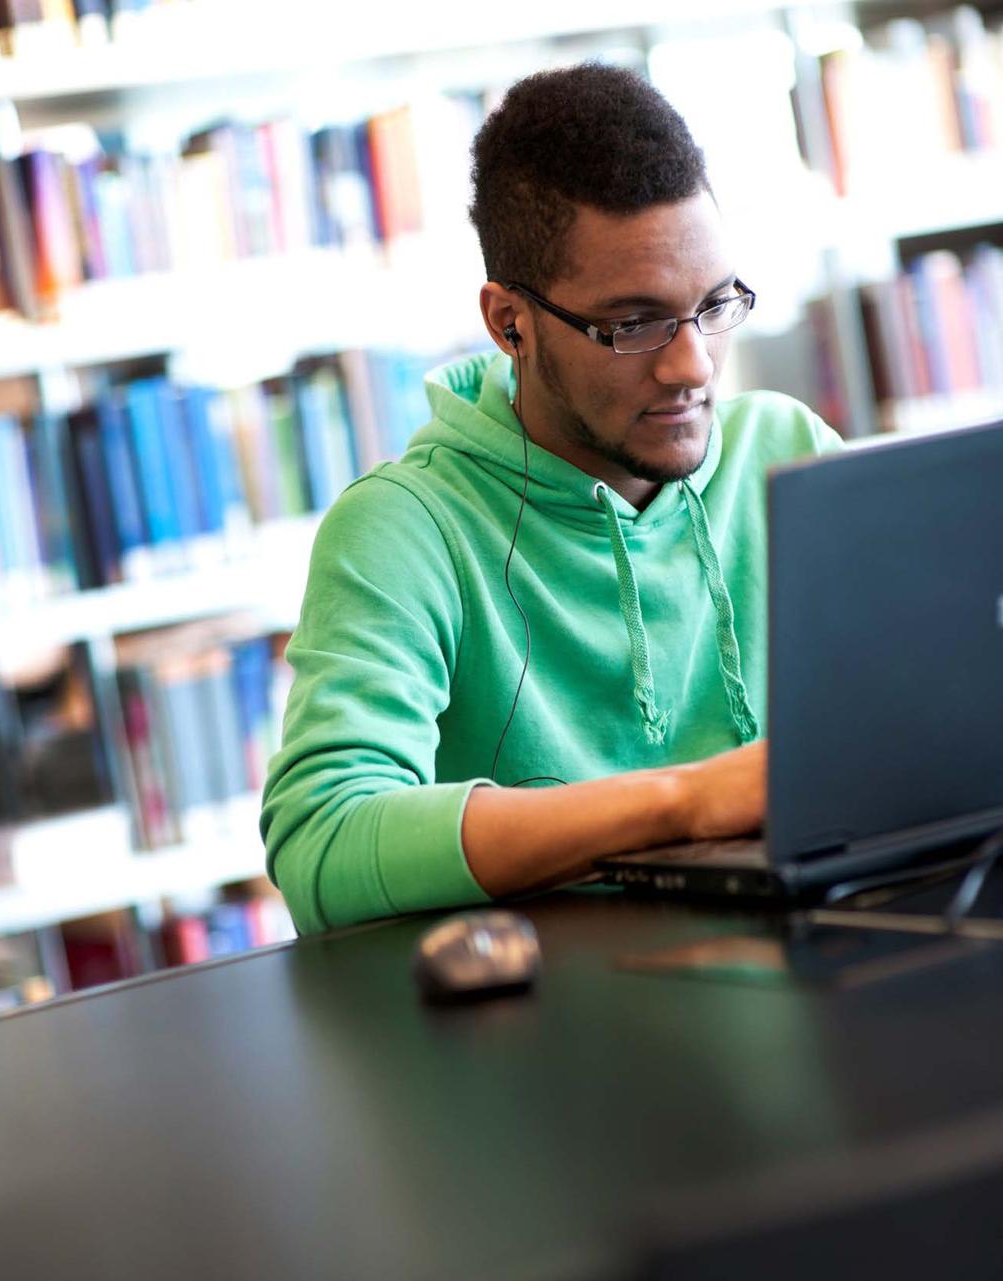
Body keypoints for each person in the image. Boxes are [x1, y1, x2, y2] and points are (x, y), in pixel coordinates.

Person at [261, 63, 842, 933]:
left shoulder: (787, 454)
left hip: (815, 970)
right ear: (509, 324)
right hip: (551, 1029)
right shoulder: (403, 528)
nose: (693, 367)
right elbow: (325, 841)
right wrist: (684, 802)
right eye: (634, 324)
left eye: (714, 304)